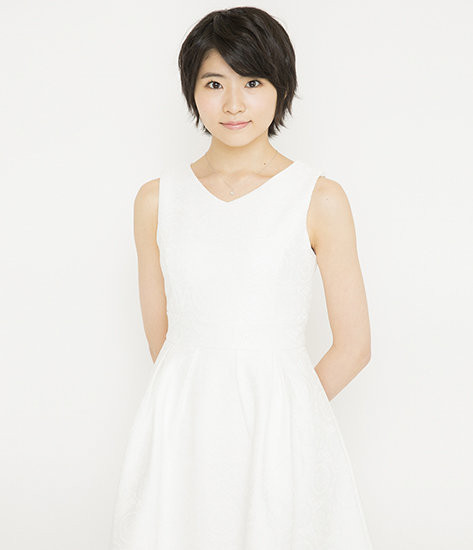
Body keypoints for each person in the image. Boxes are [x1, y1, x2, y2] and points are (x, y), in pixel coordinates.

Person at [110, 6, 373, 549]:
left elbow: (354, 346)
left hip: (283, 432)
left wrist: (288, 418)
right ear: (192, 91)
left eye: (252, 82)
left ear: (280, 88)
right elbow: (164, 341)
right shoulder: (156, 200)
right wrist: (198, 411)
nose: (233, 104)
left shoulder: (319, 197)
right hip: (183, 431)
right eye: (214, 83)